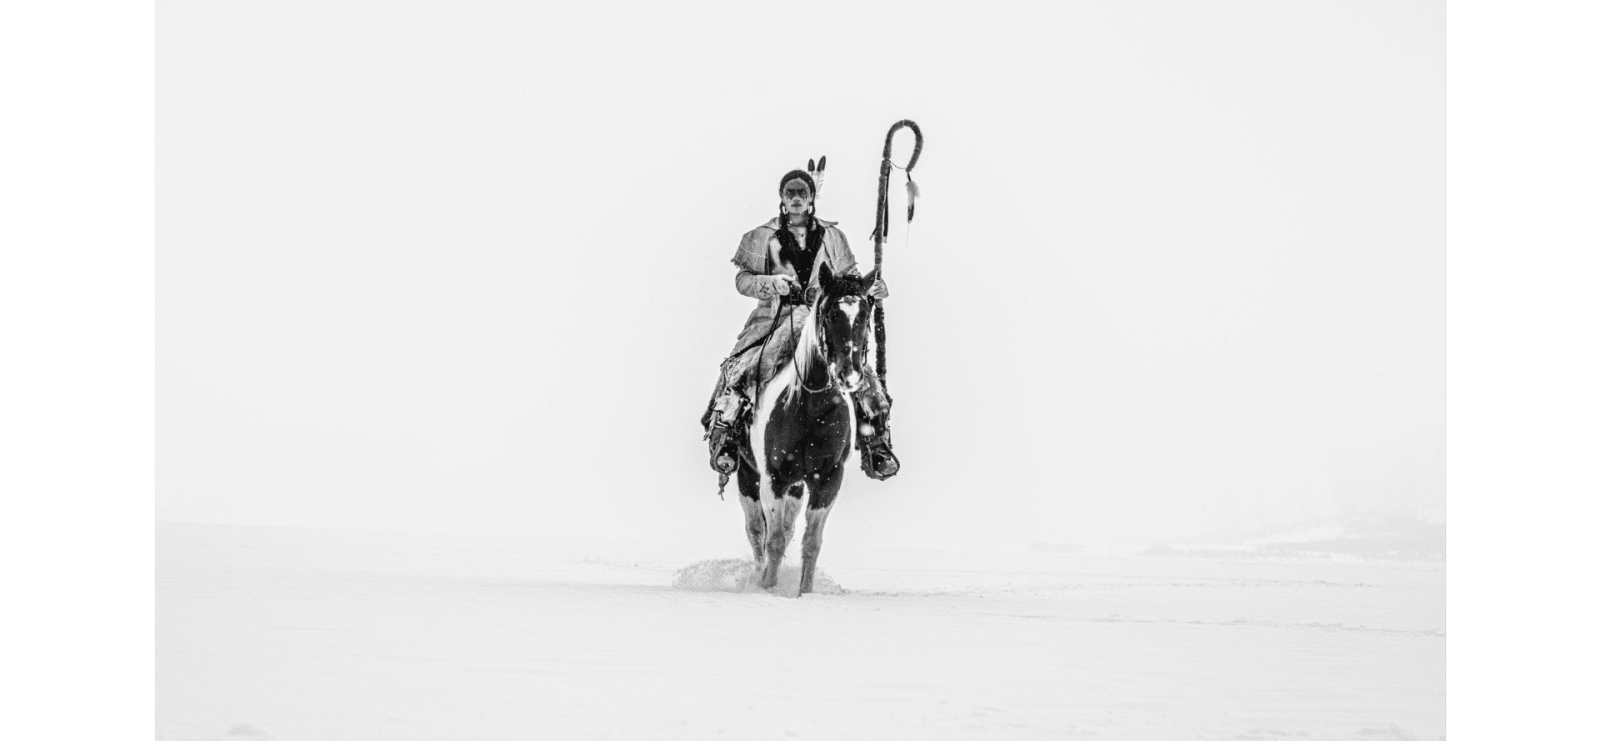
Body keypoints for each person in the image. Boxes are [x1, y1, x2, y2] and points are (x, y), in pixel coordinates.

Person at [701, 167, 900, 481]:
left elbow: (850, 281)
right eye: (790, 193)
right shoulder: (762, 236)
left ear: (811, 198)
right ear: (782, 197)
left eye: (802, 193)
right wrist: (770, 284)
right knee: (747, 366)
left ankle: (876, 442)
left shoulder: (833, 237)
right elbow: (742, 280)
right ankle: (728, 434)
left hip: (825, 317)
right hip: (775, 317)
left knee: (857, 369)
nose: (796, 198)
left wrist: (872, 289)